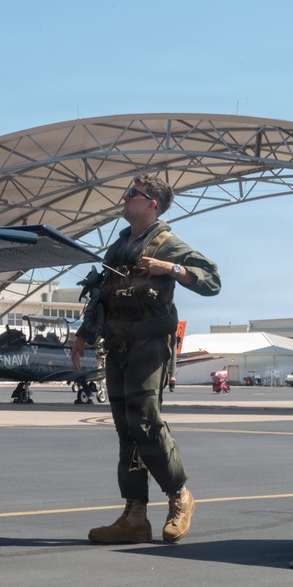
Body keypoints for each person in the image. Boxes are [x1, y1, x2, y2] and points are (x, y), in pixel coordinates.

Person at [71, 174, 220, 544]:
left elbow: (212, 280)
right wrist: (84, 334)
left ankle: (180, 495)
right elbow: (101, 294)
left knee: (145, 422)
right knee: (126, 429)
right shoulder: (118, 247)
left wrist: (169, 268)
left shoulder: (168, 244)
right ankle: (135, 515)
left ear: (152, 203)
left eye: (131, 194)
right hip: (117, 345)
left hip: (149, 344)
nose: (124, 198)